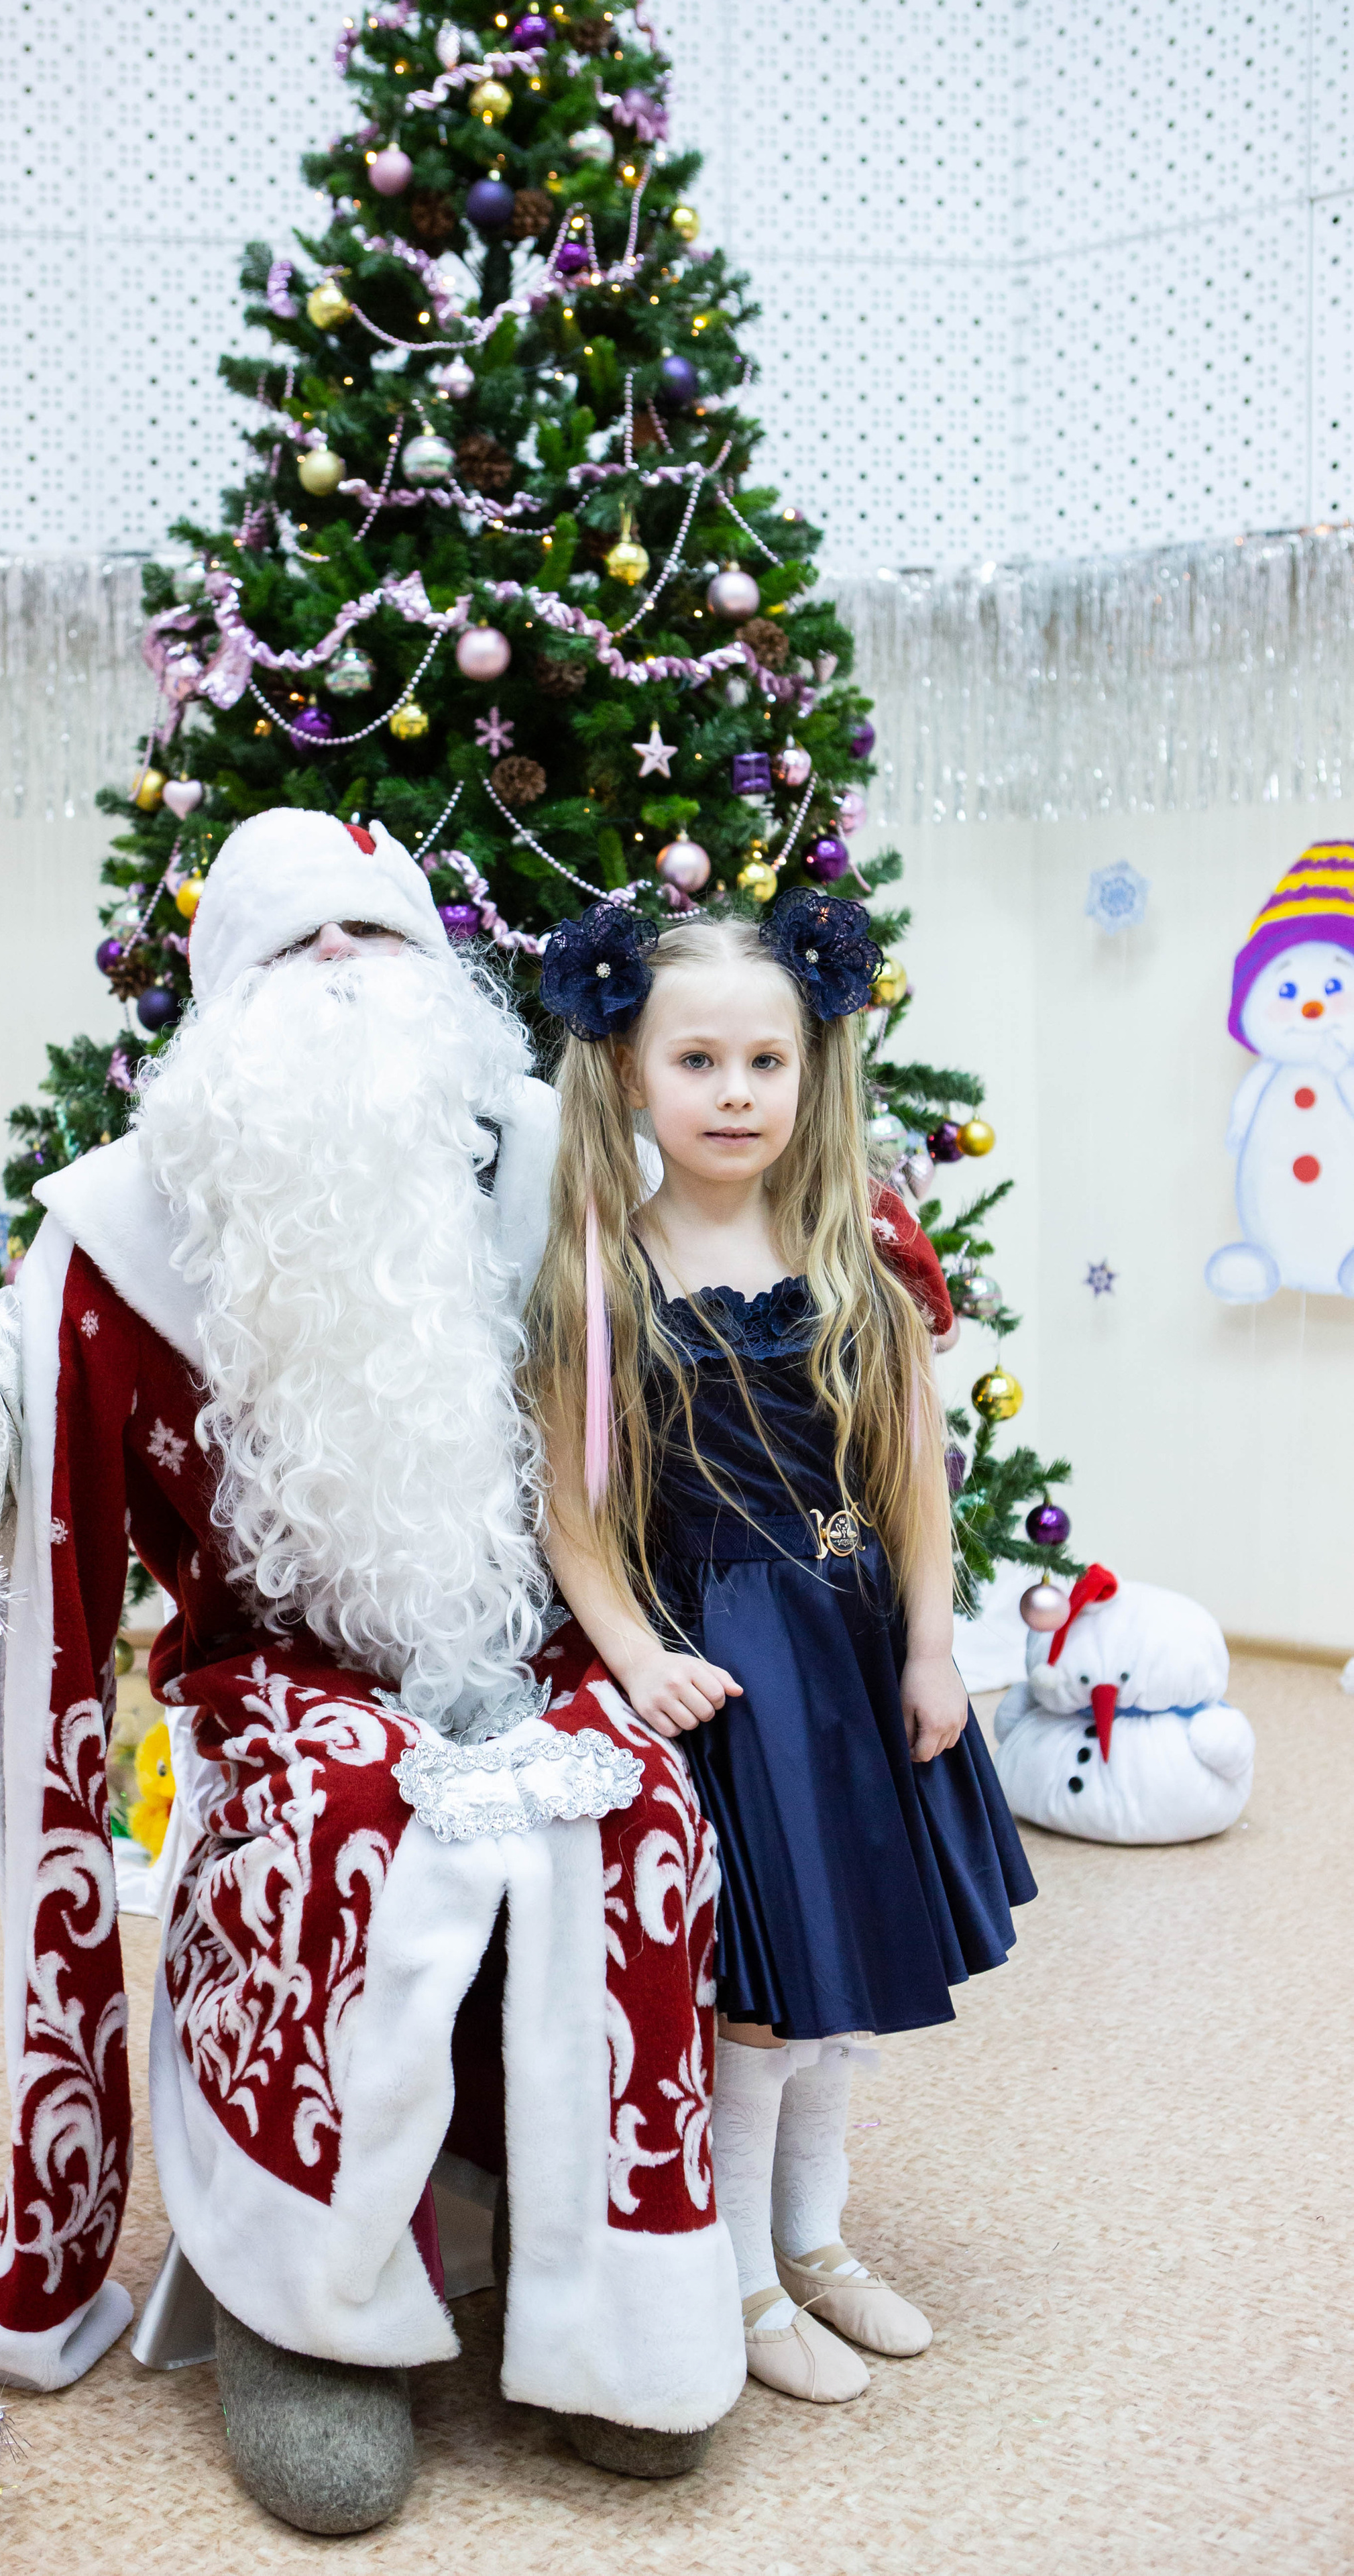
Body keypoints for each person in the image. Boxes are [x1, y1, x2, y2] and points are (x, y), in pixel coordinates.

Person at [0, 808, 749, 2536]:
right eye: (296, 947)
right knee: (340, 1817)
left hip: (528, 1645)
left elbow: (742, 1288)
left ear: (448, 987)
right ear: (222, 1007)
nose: (343, 971)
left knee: (635, 1803)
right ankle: (312, 2317)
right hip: (275, 1683)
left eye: (378, 939)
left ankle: (613, 2301)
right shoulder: (123, 1225)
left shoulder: (544, 1162)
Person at [522, 895, 1037, 2408]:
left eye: (765, 1059)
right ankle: (738, 2282)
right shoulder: (601, 1283)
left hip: (857, 1651)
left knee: (844, 1992)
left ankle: (813, 2241)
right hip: (729, 1667)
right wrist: (629, 1655)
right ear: (627, 1072)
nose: (734, 1091)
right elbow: (570, 1515)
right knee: (756, 2011)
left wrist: (931, 1649)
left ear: (811, 1070)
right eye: (696, 1060)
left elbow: (908, 1486)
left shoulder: (851, 1259)